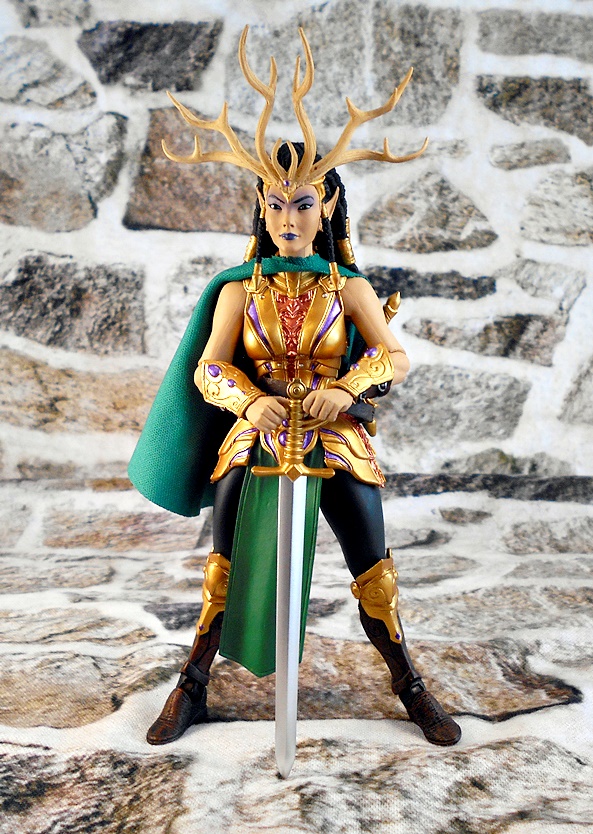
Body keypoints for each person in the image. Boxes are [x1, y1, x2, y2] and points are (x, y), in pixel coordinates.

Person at [128, 27, 461, 748]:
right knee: (222, 571)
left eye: (303, 204)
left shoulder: (348, 287)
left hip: (336, 439)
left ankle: (409, 683)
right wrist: (248, 400)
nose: (288, 219)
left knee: (373, 569)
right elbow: (209, 367)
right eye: (276, 205)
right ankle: (191, 684)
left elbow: (394, 356)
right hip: (255, 436)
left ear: (328, 208)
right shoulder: (237, 290)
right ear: (260, 206)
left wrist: (348, 389)